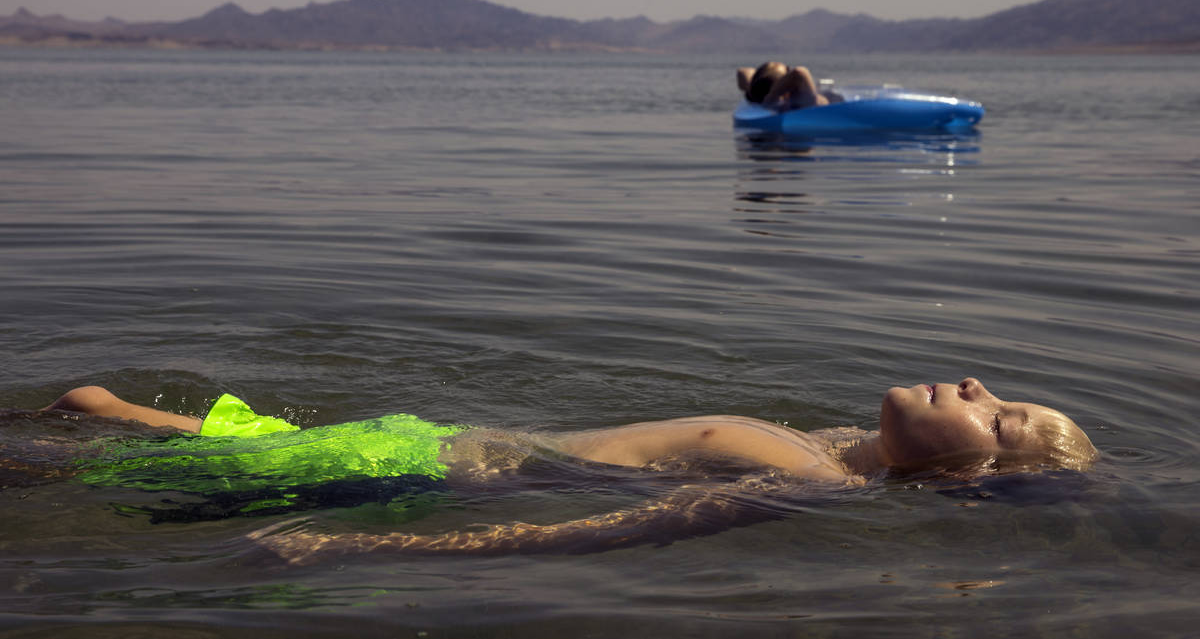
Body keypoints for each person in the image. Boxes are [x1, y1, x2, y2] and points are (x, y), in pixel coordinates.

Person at [36, 377, 1098, 561]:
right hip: (418, 445)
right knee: (124, 445)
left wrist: (355, 543)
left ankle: (89, 418)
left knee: (82, 464)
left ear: (962, 479)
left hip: (415, 472)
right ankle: (97, 414)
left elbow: (610, 529)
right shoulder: (829, 448)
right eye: (992, 391)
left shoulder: (817, 481)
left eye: (997, 420)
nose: (971, 387)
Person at [737, 61, 830, 109]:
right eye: (787, 70)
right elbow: (799, 72)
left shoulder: (753, 93)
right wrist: (774, 93)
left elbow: (742, 71)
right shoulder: (775, 100)